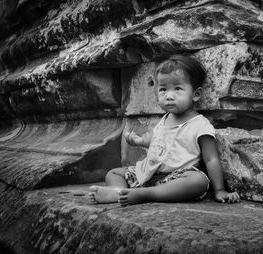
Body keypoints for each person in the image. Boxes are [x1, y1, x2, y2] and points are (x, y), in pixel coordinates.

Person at [89, 54, 240, 206]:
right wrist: (142, 142)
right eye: (163, 89)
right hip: (148, 174)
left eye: (178, 89)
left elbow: (211, 159)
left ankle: (145, 194)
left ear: (196, 94)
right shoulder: (164, 119)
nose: (169, 96)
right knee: (114, 173)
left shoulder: (200, 125)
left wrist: (219, 189)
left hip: (175, 178)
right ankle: (118, 193)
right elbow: (163, 147)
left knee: (199, 181)